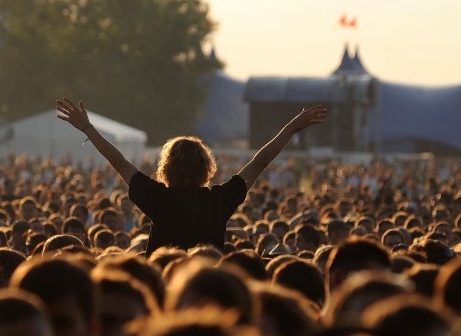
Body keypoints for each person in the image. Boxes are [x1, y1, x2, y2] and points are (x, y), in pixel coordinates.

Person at [56, 97, 326, 255]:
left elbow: (117, 161)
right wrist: (292, 127)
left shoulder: (156, 197)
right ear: (206, 167)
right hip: (207, 288)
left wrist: (87, 128)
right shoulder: (220, 200)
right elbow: (260, 161)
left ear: (167, 166)